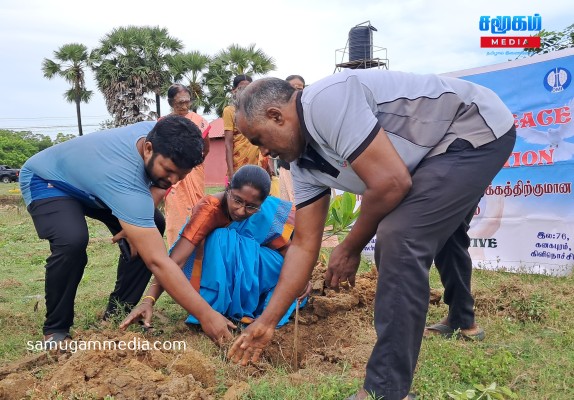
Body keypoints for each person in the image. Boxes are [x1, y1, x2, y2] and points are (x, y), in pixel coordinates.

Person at [226, 69, 517, 400]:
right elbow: (305, 245)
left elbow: (391, 183)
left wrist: (350, 249)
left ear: (276, 116)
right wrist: (266, 321)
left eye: (258, 140)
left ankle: (386, 391)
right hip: (430, 155)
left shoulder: (326, 102)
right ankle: (463, 320)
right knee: (442, 231)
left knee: (400, 237)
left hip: (474, 126)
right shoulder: (303, 165)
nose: (263, 153)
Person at [19, 115, 225, 345]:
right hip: (48, 180)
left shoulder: (162, 133)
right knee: (72, 240)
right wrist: (207, 316)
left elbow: (162, 183)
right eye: (168, 170)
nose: (173, 180)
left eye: (181, 174)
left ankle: (118, 313)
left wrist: (137, 224)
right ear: (148, 148)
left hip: (94, 185)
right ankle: (56, 329)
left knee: (153, 225)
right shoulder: (121, 175)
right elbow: (158, 261)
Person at [120, 165, 309, 336]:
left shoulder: (265, 211)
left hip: (254, 270)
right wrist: (149, 300)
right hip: (210, 265)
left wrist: (301, 277)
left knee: (283, 267)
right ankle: (215, 309)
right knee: (222, 239)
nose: (241, 211)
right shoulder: (209, 211)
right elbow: (175, 261)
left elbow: (286, 249)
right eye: (237, 200)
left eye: (251, 207)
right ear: (228, 189)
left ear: (262, 203)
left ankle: (253, 308)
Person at [163, 84, 211, 247]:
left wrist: (195, 162)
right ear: (170, 102)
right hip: (173, 177)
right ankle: (176, 252)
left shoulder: (198, 121)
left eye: (187, 102)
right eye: (179, 103)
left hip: (194, 173)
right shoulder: (164, 123)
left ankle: (197, 249)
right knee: (176, 215)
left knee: (197, 210)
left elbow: (206, 146)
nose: (184, 106)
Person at [223, 74, 260, 182]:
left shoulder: (259, 109)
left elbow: (265, 138)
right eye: (241, 88)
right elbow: (228, 143)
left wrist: (270, 165)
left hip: (259, 161)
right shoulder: (229, 111)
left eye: (248, 88)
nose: (245, 91)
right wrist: (231, 171)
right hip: (239, 162)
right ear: (233, 90)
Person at [277, 75, 306, 202]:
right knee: (288, 205)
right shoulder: (276, 113)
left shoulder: (310, 110)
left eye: (300, 88)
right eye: (293, 88)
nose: (297, 92)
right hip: (288, 167)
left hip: (309, 167)